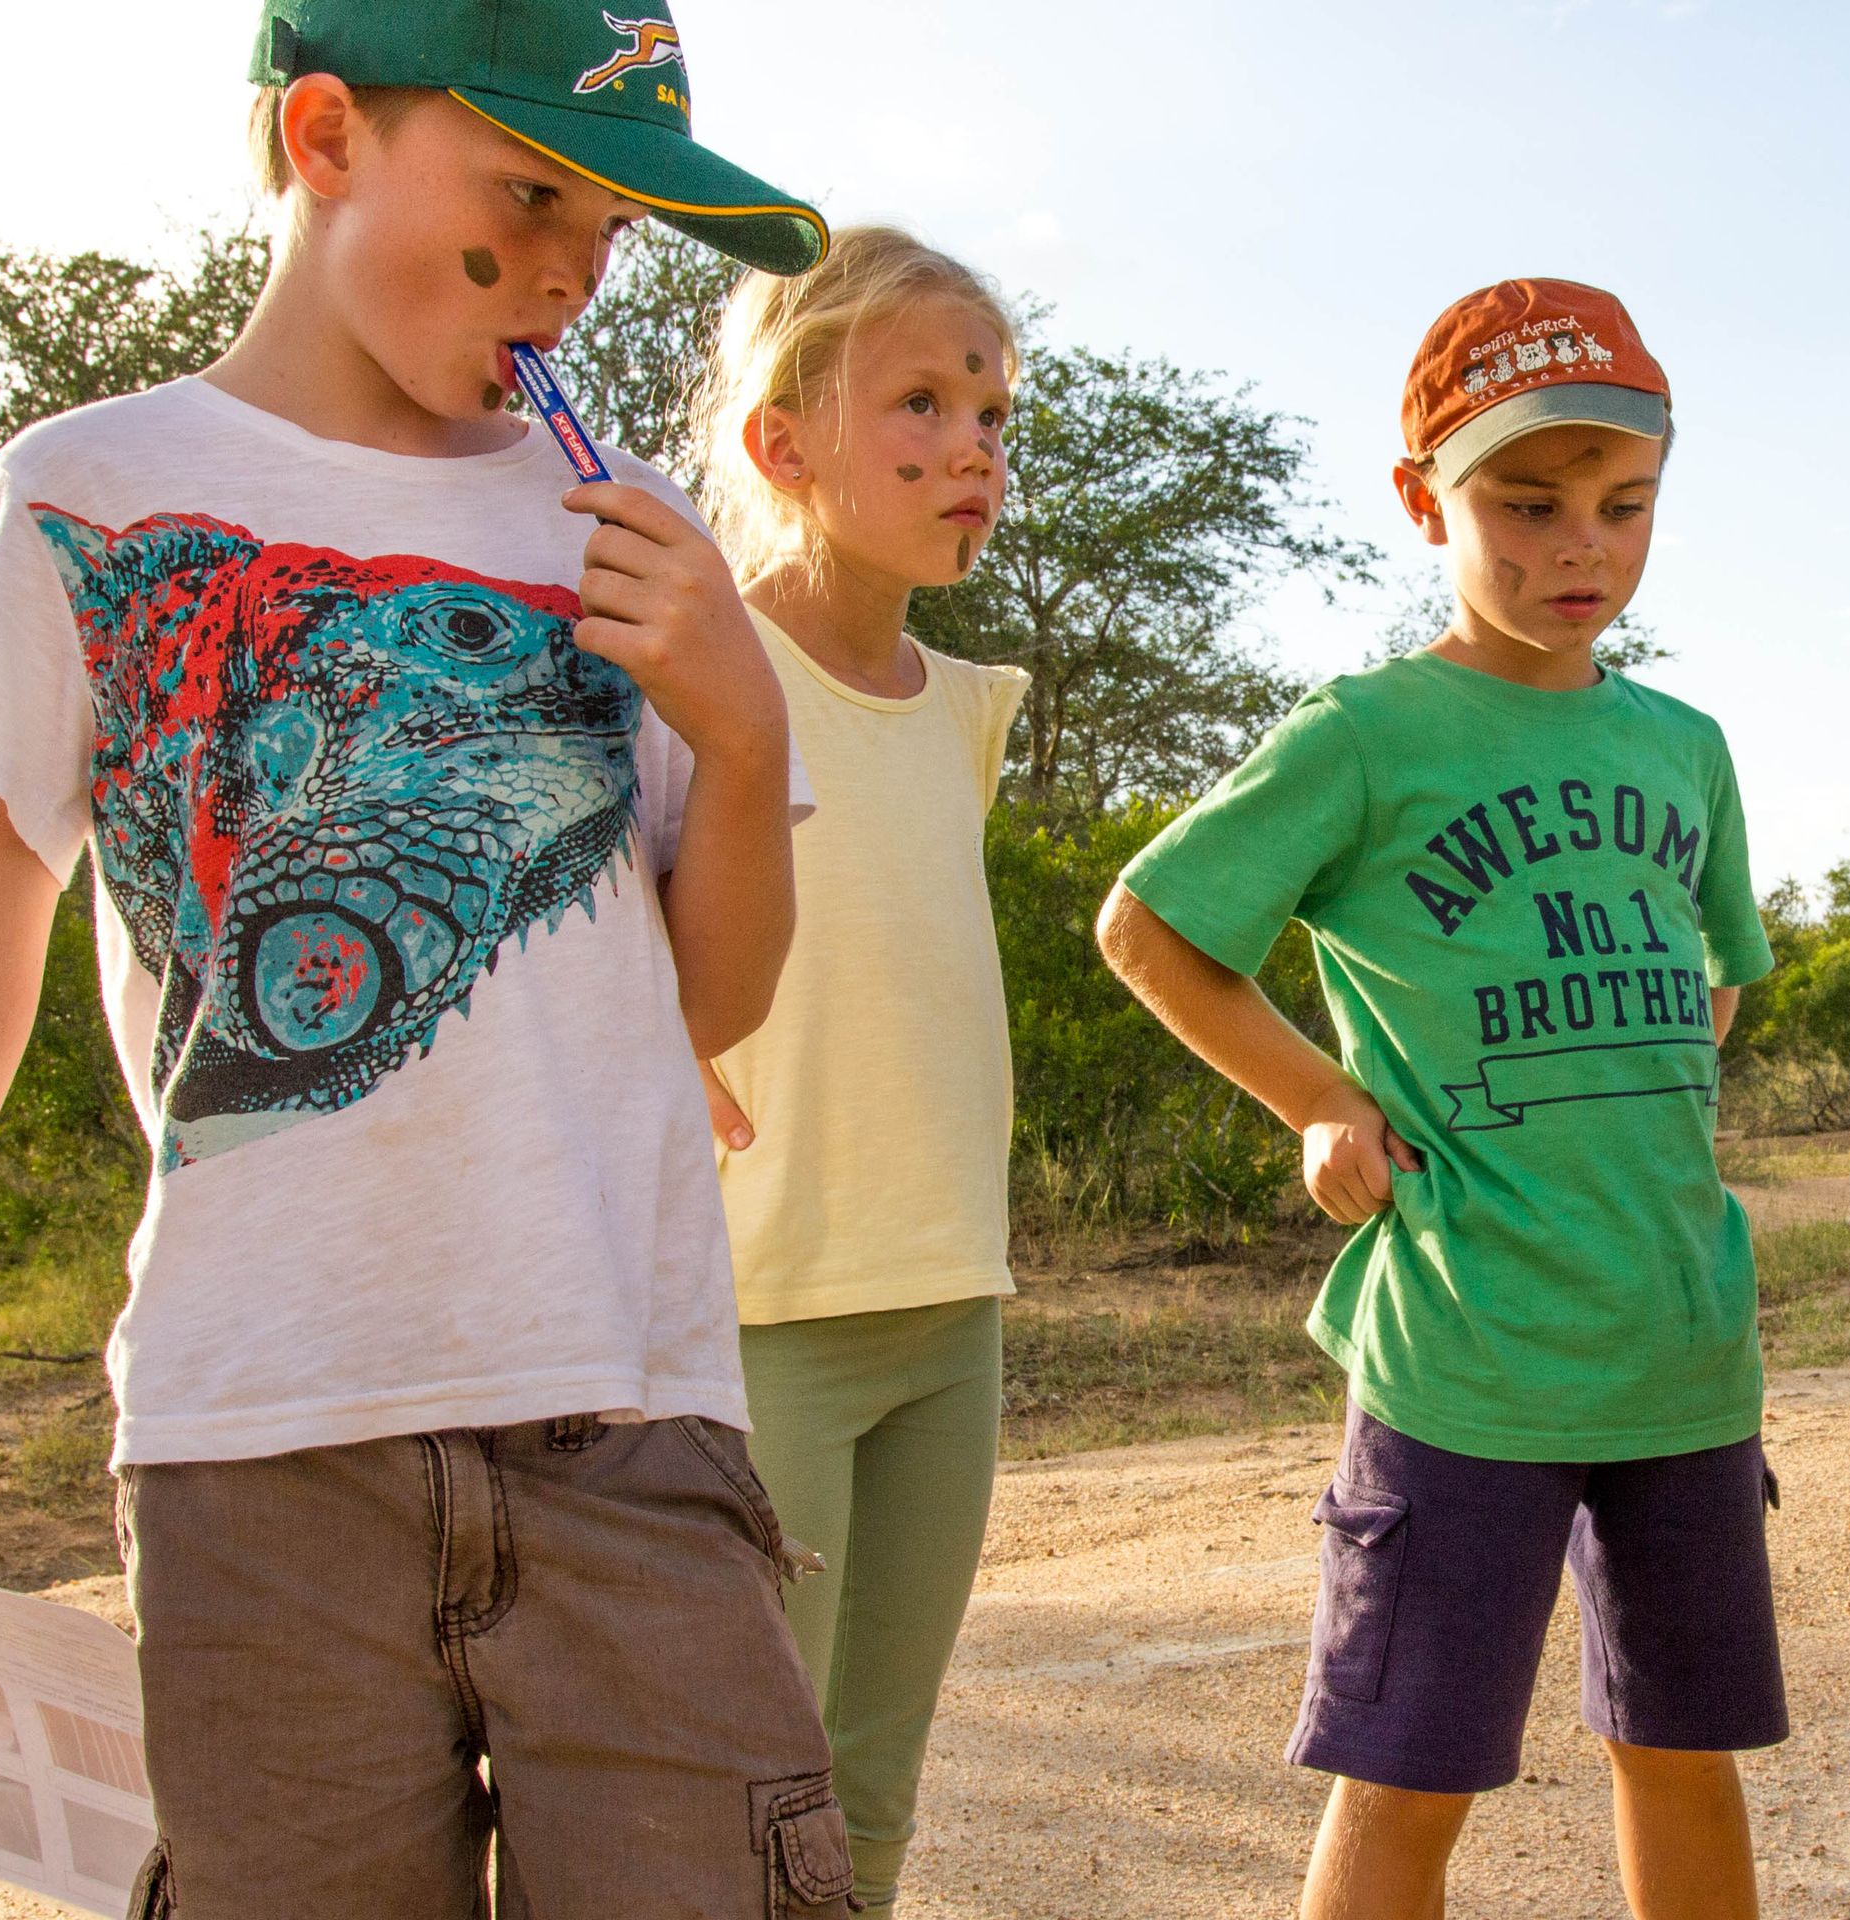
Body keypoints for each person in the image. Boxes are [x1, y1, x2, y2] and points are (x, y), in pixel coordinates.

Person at [0, 6, 856, 1914]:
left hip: (624, 1412)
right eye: (529, 188)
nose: (568, 267)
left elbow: (706, 1006)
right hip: (253, 1438)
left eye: (612, 225)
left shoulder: (623, 524)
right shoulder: (84, 489)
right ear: (322, 136)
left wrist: (744, 730)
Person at [1094, 278, 1784, 1920]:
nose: (1579, 550)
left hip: (1685, 1349)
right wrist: (1324, 1099)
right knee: (1410, 1773)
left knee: (1682, 1756)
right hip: (1469, 1347)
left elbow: (1724, 974)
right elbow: (1149, 930)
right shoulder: (1367, 734)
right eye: (1526, 505)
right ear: (1426, 501)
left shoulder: (1685, 746)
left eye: (1623, 509)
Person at [684, 227, 1031, 1920]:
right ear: (781, 443)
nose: (971, 448)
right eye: (920, 402)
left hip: (948, 1308)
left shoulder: (967, 706)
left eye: (991, 411)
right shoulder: (698, 674)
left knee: (875, 1798)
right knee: (754, 1790)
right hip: (764, 1320)